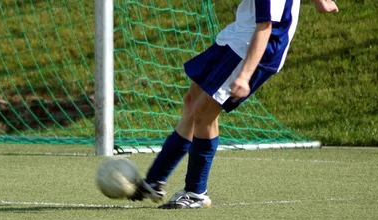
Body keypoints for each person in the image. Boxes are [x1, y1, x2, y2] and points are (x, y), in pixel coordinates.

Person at [131, 0, 339, 209]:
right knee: (191, 101)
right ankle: (155, 180)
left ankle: (196, 193)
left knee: (204, 113)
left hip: (254, 46)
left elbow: (265, 27)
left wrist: (245, 76)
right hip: (238, 35)